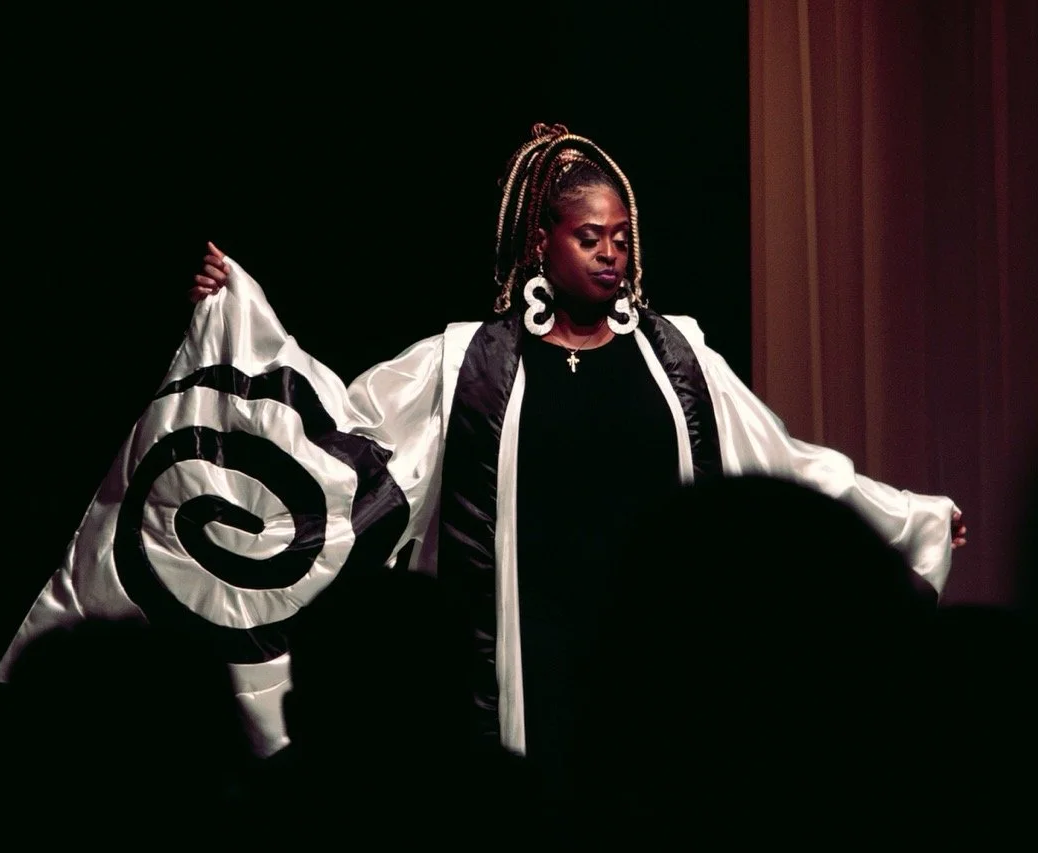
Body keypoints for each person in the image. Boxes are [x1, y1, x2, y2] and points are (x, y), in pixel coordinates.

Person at [189, 122, 967, 800]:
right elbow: (347, 439)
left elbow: (786, 463)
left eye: (621, 238)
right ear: (543, 241)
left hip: (650, 651)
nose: (611, 254)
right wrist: (239, 313)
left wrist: (906, 519)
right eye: (590, 237)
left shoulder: (677, 357)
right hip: (526, 652)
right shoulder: (471, 363)